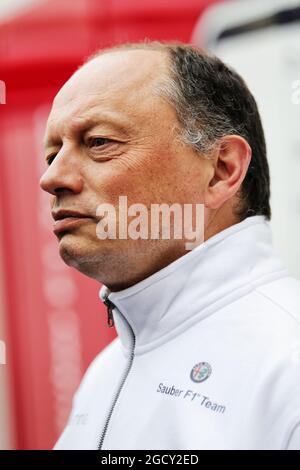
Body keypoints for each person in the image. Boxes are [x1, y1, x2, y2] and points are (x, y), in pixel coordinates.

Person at [40, 41, 300, 450]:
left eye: (100, 142)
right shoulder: (104, 374)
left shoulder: (288, 361)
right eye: (52, 154)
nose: (52, 178)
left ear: (221, 170)